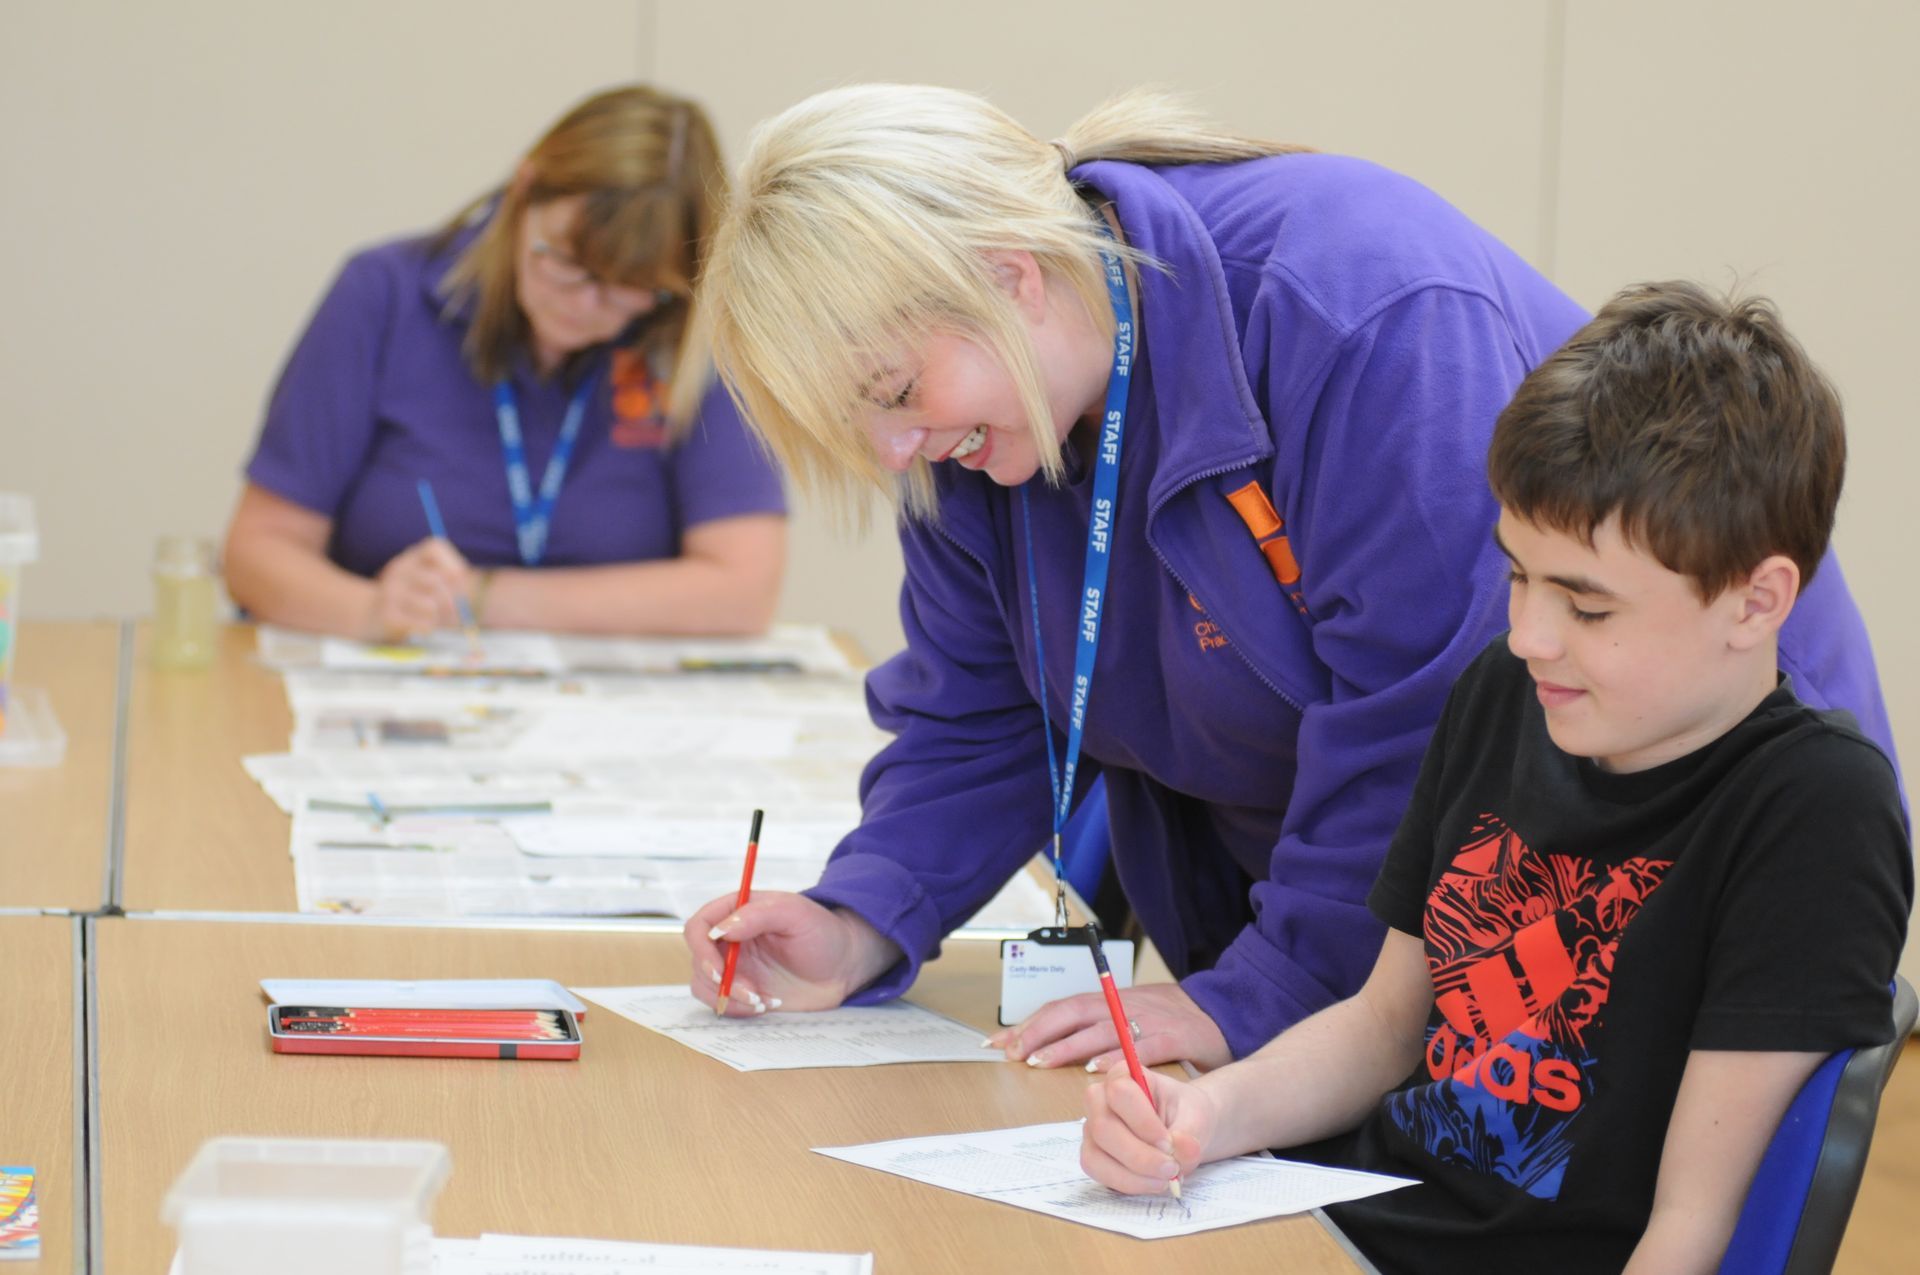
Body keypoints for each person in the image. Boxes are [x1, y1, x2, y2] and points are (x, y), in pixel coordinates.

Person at [681, 85, 1896, 1073]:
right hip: (1363, 955)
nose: (896, 451)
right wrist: (860, 916)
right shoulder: (982, 428)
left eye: (897, 395)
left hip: (1649, 874)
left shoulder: (1360, 310)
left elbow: (1436, 730)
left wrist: (1256, 1000)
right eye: (862, 423)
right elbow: (980, 711)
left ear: (1010, 275)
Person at [1078, 282, 1912, 1273]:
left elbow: (1692, 1230)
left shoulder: (1814, 811)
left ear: (1756, 601)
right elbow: (1385, 1025)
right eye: (1517, 574)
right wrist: (1207, 1113)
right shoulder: (1507, 693)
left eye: (1587, 608)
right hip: (1346, 1222)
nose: (1529, 635)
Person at [225, 85, 787, 642]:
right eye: (568, 265)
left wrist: (481, 596)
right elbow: (259, 552)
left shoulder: (688, 333)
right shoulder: (385, 295)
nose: (586, 306)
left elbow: (742, 591)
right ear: (524, 190)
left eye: (630, 289)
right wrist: (369, 610)